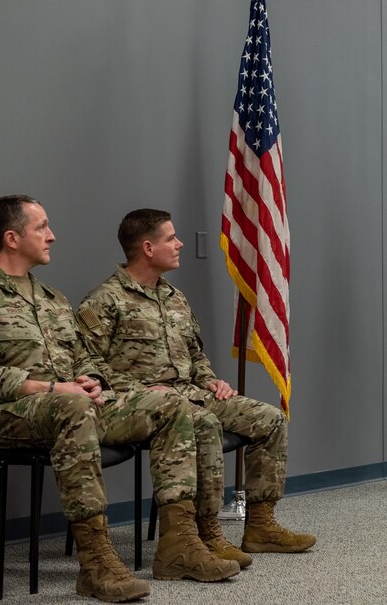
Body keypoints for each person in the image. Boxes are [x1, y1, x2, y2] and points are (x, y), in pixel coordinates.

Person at [0, 196, 239, 603]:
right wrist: (52, 388)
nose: (52, 235)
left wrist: (90, 378)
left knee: (173, 407)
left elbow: (83, 355)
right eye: (42, 227)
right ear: (12, 237)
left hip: (75, 402)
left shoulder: (52, 298)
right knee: (72, 407)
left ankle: (178, 544)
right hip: (13, 411)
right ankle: (96, 563)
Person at [77, 208, 316, 558]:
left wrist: (210, 380)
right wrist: (137, 391)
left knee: (269, 419)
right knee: (201, 422)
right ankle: (207, 533)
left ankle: (261, 527)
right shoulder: (105, 300)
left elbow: (195, 353)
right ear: (147, 247)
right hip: (139, 403)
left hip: (191, 393)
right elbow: (86, 362)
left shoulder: (175, 298)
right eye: (171, 238)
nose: (179, 244)